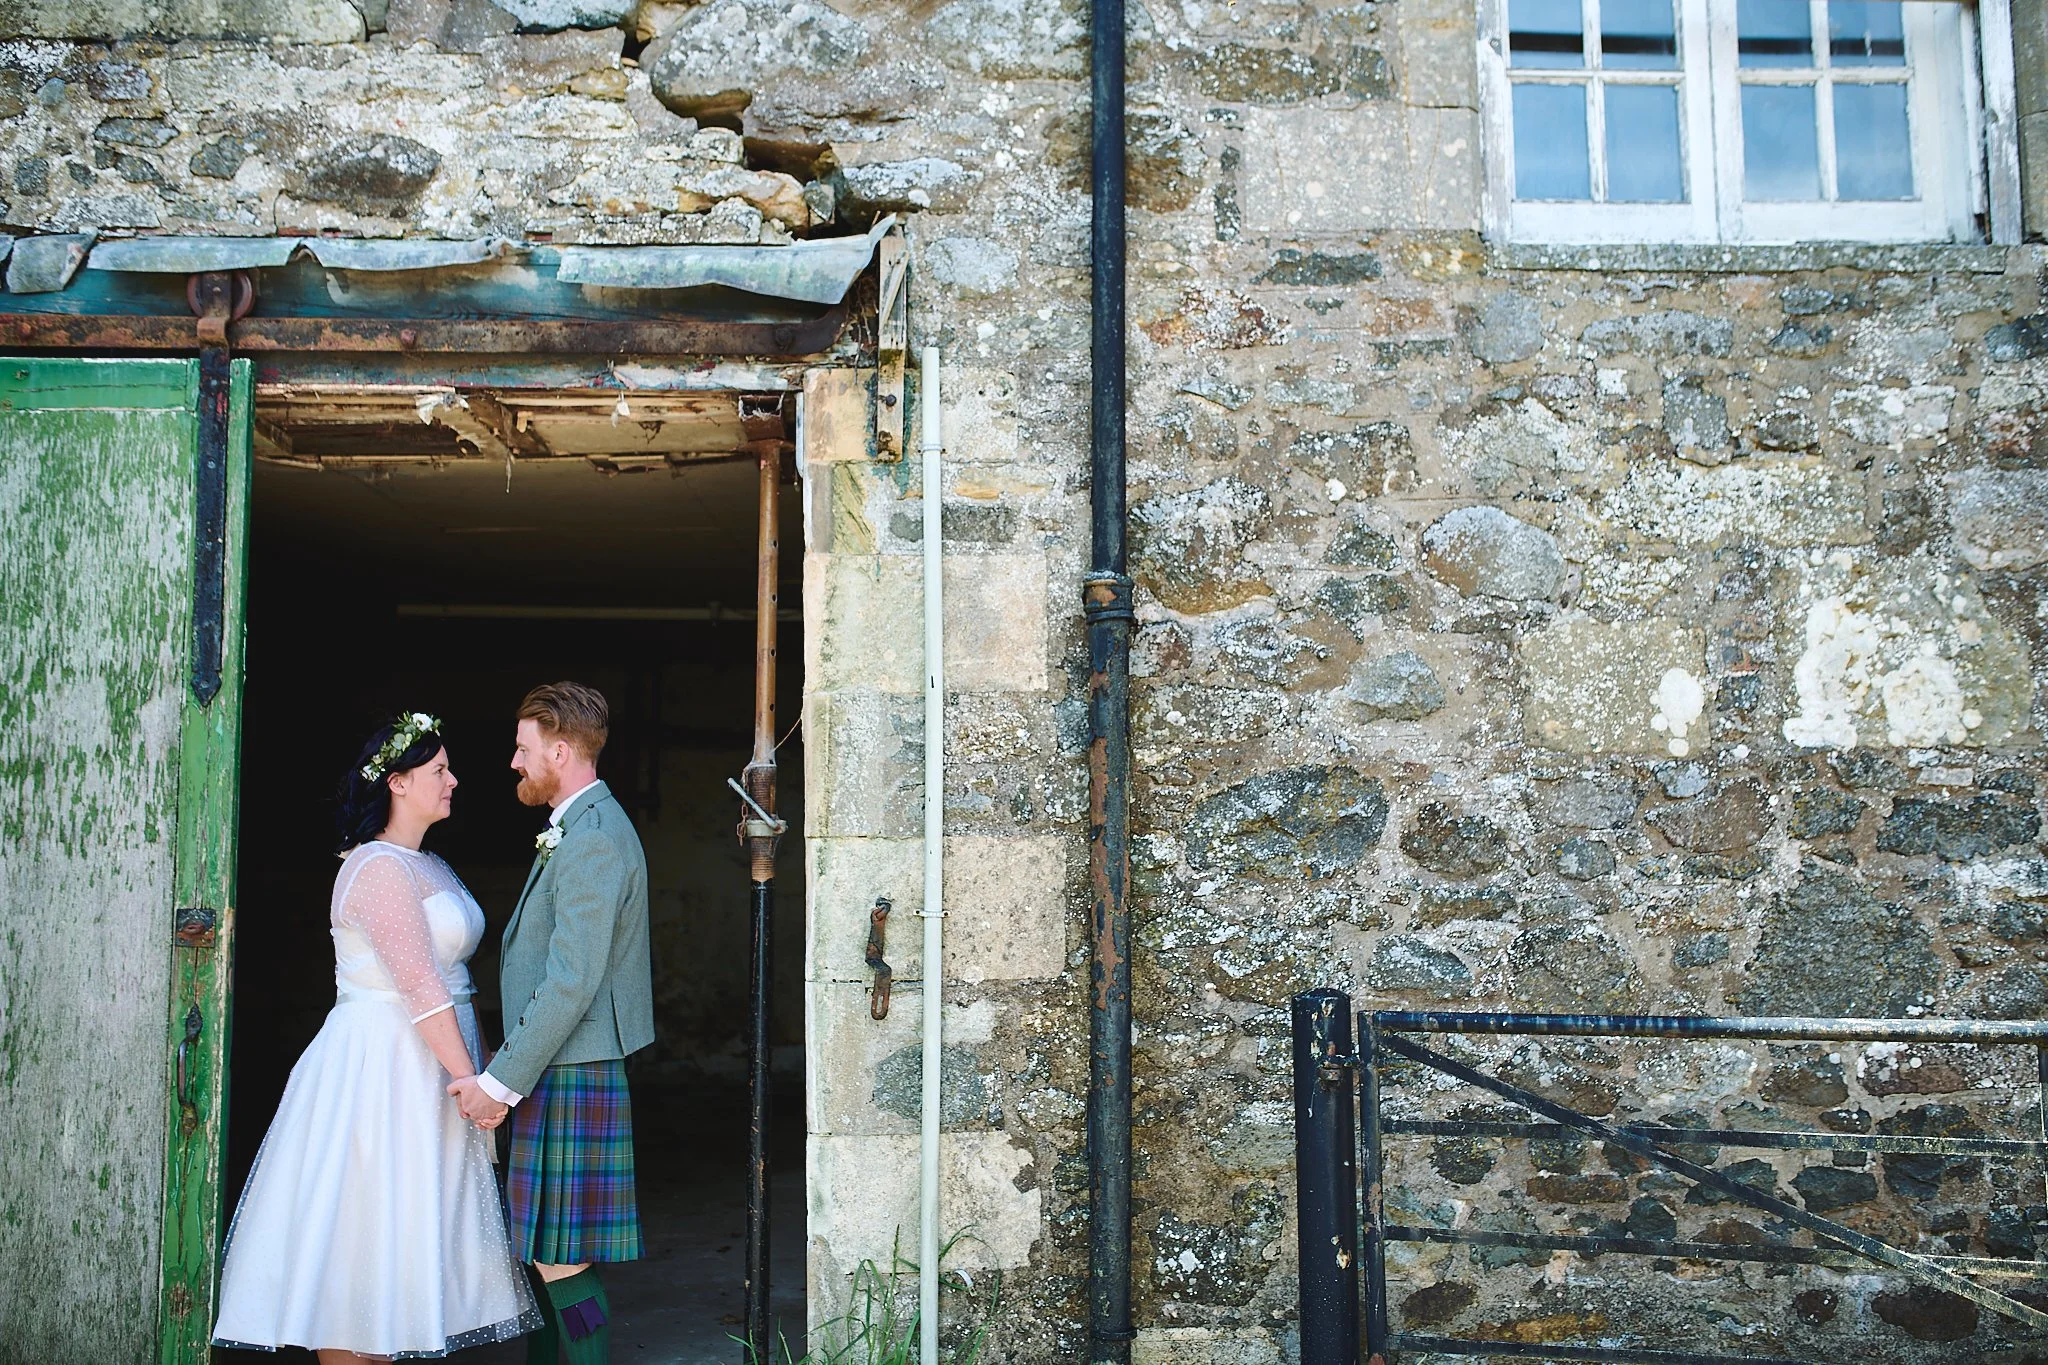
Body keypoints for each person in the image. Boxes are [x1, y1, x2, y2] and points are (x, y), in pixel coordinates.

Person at [212, 712, 540, 1362]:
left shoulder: (429, 863)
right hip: (384, 1072)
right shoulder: (377, 868)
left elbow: (452, 981)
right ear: (397, 781)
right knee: (363, 1246)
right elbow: (420, 986)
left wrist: (479, 1066)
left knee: (399, 1253)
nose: (453, 779)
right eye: (439, 769)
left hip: (430, 1069)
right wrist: (472, 1084)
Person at [449, 682, 654, 1365]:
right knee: (544, 1253)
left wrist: (499, 1082)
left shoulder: (592, 838)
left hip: (570, 1065)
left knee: (558, 1256)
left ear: (560, 751)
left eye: (523, 747)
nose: (514, 761)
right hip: (562, 1066)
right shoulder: (581, 825)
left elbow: (571, 981)